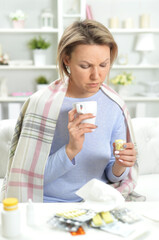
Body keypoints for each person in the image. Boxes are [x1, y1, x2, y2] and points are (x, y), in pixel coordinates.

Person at [1, 19, 138, 203]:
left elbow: (112, 176)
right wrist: (71, 149)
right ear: (67, 60)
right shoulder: (41, 105)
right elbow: (30, 179)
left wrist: (121, 165)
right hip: (47, 204)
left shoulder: (114, 105)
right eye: (85, 66)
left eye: (104, 65)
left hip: (95, 203)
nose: (96, 76)